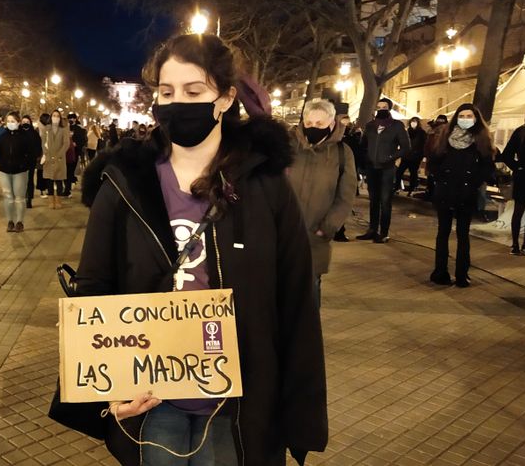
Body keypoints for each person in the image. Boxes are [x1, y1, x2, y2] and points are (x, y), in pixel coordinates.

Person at [58, 33, 327, 466]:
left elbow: (294, 298)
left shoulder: (265, 184)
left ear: (225, 99)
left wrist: (300, 412)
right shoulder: (125, 180)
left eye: (193, 91)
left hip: (238, 403)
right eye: (167, 92)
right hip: (151, 399)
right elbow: (95, 286)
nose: (178, 103)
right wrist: (104, 394)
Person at [287, 100, 357, 308]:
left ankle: (307, 338)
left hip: (315, 236)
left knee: (309, 294)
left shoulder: (343, 153)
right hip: (283, 234)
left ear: (331, 123)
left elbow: (345, 197)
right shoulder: (288, 146)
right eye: (308, 123)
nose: (312, 128)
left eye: (319, 124)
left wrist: (327, 228)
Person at [426, 103, 496, 288]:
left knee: (463, 235)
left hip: (466, 194)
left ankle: (462, 273)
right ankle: (440, 271)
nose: (465, 119)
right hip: (446, 191)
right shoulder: (445, 138)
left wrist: (474, 181)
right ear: (456, 117)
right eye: (462, 116)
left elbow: (488, 167)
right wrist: (441, 176)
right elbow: (433, 161)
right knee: (443, 233)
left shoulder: (481, 140)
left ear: (475, 118)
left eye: (469, 116)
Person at [356, 98, 411, 243]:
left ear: (389, 109)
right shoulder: (370, 126)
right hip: (371, 168)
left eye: (384, 107)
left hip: (387, 169)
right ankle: (372, 229)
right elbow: (363, 145)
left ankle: (384, 232)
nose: (381, 109)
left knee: (385, 201)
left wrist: (391, 157)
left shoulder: (397, 126)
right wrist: (365, 160)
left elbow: (406, 147)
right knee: (373, 200)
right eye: (378, 106)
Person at [0, 111, 40, 232]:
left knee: (19, 197)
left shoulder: (25, 137)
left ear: (18, 122)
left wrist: (25, 164)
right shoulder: (3, 136)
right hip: (4, 171)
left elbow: (32, 152)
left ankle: (19, 221)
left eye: (13, 121)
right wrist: (0, 162)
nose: (10, 123)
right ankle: (10, 221)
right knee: (8, 196)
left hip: (20, 171)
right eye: (8, 121)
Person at [502, 105, 525, 256]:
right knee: (519, 210)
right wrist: (518, 167)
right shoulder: (521, 131)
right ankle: (515, 244)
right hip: (524, 176)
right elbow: (506, 154)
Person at [41, 109, 70, 208]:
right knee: (49, 180)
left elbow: (66, 143)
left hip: (60, 158)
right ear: (51, 117)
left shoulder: (64, 129)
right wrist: (46, 153)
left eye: (57, 116)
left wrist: (59, 155)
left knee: (59, 180)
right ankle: (50, 200)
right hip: (49, 157)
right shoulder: (46, 128)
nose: (55, 117)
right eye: (54, 115)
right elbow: (43, 142)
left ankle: (58, 200)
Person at [395, 117, 427, 195]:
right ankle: (397, 187)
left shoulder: (422, 133)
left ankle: (412, 189)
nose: (413, 123)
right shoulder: (407, 131)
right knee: (399, 172)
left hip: (415, 157)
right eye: (412, 121)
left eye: (415, 121)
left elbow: (424, 144)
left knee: (413, 173)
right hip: (406, 156)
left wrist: (422, 155)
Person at [21, 115, 42, 208]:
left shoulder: (34, 133)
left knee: (29, 179)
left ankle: (29, 198)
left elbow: (38, 146)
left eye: (27, 122)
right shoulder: (18, 133)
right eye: (23, 121)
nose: (25, 123)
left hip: (31, 160)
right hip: (20, 161)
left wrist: (36, 155)